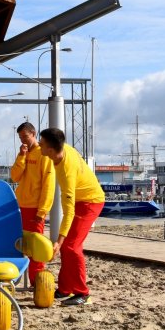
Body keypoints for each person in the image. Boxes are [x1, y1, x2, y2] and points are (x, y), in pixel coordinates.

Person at [38, 127, 105, 306]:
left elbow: (69, 212)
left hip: (91, 202)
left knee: (71, 247)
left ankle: (83, 293)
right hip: (81, 200)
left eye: (41, 143)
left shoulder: (67, 171)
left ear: (50, 150)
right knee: (69, 246)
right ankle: (65, 289)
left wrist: (59, 241)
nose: (39, 145)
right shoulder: (60, 150)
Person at [10, 121, 55, 284]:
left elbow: (48, 185)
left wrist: (42, 211)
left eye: (26, 136)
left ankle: (36, 281)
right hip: (20, 206)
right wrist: (22, 156)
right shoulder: (24, 152)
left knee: (35, 247)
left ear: (34, 134)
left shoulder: (44, 155)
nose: (23, 140)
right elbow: (14, 176)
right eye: (21, 137)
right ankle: (13, 278)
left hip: (35, 207)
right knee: (17, 243)